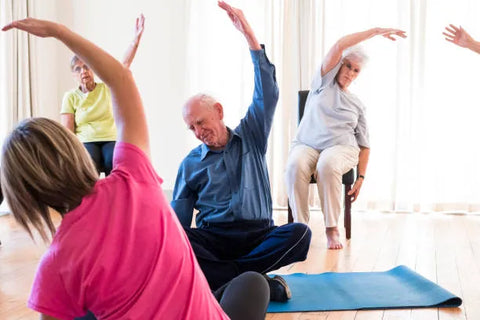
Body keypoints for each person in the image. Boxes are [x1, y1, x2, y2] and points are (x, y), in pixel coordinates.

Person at [1, 15, 270, 320]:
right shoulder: (134, 177)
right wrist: (59, 32)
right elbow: (120, 78)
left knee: (82, 307)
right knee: (252, 284)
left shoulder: (55, 267)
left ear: (24, 196)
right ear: (71, 148)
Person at [172, 1, 312, 301]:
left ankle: (227, 278)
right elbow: (178, 221)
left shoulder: (252, 136)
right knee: (176, 238)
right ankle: (252, 279)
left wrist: (249, 36)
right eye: (191, 128)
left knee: (300, 233)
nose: (198, 132)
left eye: (201, 122)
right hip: (214, 238)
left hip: (258, 234)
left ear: (219, 111)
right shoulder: (190, 164)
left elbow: (267, 92)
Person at [285, 28, 406, 250]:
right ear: (339, 64)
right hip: (307, 144)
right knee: (294, 164)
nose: (350, 72)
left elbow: (364, 145)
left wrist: (360, 177)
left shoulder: (357, 104)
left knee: (328, 164)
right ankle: (300, 231)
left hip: (342, 148)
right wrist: (377, 32)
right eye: (348, 65)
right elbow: (340, 44)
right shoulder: (322, 83)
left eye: (356, 70)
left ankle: (332, 229)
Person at [60, 15, 145, 176]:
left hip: (110, 138)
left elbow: (123, 67)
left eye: (86, 66)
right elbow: (67, 131)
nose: (83, 71)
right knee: (88, 164)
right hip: (86, 141)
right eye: (78, 69)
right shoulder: (71, 97)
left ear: (93, 69)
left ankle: (116, 199)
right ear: (74, 75)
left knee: (114, 163)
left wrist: (135, 40)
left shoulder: (106, 87)